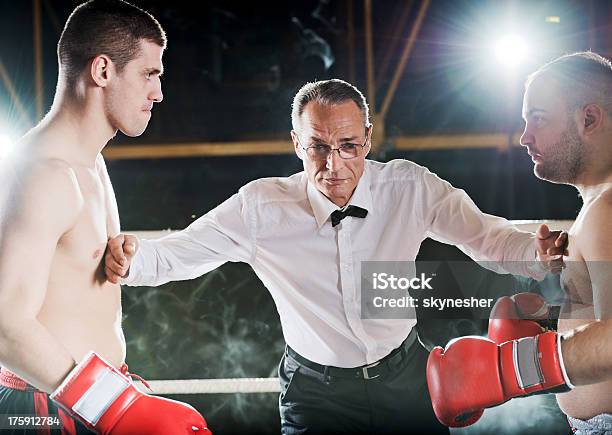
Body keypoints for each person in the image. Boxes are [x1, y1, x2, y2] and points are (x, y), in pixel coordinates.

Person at [105, 78, 566, 434]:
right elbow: (182, 252)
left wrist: (534, 252)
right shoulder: (261, 206)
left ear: (368, 137)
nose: (333, 165)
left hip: (407, 377)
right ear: (296, 143)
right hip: (316, 395)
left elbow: (484, 236)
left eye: (348, 146)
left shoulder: (409, 187)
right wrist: (132, 259)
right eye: (318, 148)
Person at [0, 1, 210, 433]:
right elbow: (4, 323)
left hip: (95, 394)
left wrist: (114, 253)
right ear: (102, 71)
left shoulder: (90, 163)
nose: (158, 93)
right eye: (149, 74)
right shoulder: (43, 173)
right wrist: (113, 406)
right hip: (46, 404)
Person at [426, 52, 612, 435]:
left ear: (589, 119)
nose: (525, 137)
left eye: (538, 119)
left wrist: (510, 368)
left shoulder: (607, 211)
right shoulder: (598, 209)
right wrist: (551, 332)